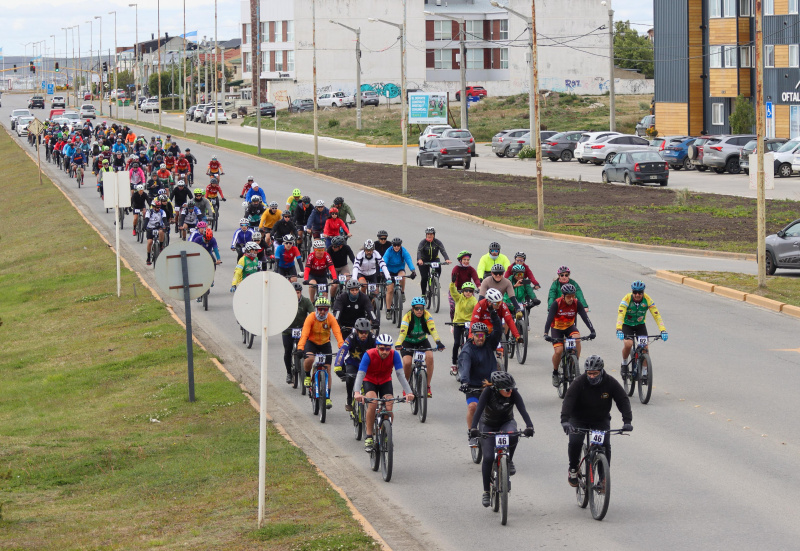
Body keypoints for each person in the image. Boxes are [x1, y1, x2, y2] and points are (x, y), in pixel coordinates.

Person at [561, 355, 632, 487]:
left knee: (604, 445)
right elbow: (568, 400)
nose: (592, 376)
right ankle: (573, 469)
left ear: (601, 371)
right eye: (589, 373)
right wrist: (565, 420)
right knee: (575, 441)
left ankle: (603, 477)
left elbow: (623, 400)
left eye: (595, 373)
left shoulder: (610, 382)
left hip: (600, 419)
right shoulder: (579, 382)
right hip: (579, 419)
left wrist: (627, 421)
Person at [469, 371, 534, 507]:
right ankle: (486, 491)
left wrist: (530, 426)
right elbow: (479, 410)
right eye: (507, 389)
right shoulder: (487, 392)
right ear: (498, 388)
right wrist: (473, 429)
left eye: (512, 387)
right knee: (487, 458)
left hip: (506, 422)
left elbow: (523, 410)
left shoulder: (513, 393)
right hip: (488, 424)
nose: (510, 390)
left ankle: (508, 460)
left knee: (514, 434)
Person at [354, 333, 414, 452]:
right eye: (382, 348)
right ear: (377, 347)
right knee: (373, 402)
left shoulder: (394, 355)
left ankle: (386, 432)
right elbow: (360, 374)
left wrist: (409, 392)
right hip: (369, 380)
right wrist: (357, 392)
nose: (385, 351)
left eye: (387, 348)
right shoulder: (369, 355)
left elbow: (400, 374)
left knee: (389, 406)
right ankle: (369, 436)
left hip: (385, 381)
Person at [296, 297, 344, 409]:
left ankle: (327, 397)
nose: (322, 312)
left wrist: (341, 346)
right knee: (310, 359)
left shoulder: (330, 318)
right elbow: (304, 335)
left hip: (324, 344)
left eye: (325, 309)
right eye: (320, 309)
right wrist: (300, 348)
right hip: (311, 342)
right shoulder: (310, 317)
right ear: (316, 309)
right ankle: (307, 376)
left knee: (327, 369)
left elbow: (337, 333)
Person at [544, 283, 596, 387]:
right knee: (558, 351)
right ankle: (555, 372)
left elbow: (585, 317)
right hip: (557, 328)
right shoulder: (557, 303)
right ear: (563, 296)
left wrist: (592, 330)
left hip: (569, 327)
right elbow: (549, 319)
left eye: (573, 296)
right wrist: (546, 333)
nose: (571, 298)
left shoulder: (576, 303)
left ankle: (574, 363)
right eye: (569, 296)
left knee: (577, 338)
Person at [396, 296, 445, 398]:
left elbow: (433, 330)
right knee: (407, 362)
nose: (419, 311)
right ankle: (406, 386)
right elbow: (402, 332)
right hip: (408, 341)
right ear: (413, 309)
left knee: (430, 357)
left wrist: (438, 342)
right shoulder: (407, 316)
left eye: (421, 308)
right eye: (417, 308)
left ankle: (427, 386)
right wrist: (398, 343)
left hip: (421, 341)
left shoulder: (427, 315)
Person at [616, 280, 667, 377]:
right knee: (628, 344)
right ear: (632, 292)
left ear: (643, 292)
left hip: (640, 325)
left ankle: (644, 372)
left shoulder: (648, 300)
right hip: (627, 325)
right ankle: (624, 363)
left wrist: (663, 330)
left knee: (645, 348)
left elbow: (657, 315)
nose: (637, 295)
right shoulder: (626, 299)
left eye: (640, 292)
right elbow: (621, 314)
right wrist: (618, 329)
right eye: (635, 292)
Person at [334, 318, 376, 411]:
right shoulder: (351, 338)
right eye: (361, 332)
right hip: (353, 363)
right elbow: (342, 351)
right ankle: (349, 399)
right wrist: (337, 366)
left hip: (367, 365)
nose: (364, 334)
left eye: (366, 332)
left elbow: (380, 352)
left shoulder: (372, 338)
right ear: (357, 331)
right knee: (349, 379)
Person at [281, 282, 315, 384]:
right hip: (288, 330)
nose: (297, 295)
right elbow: (279, 314)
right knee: (288, 350)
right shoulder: (285, 302)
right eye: (294, 292)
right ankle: (289, 373)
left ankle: (306, 373)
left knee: (305, 351)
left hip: (302, 330)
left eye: (298, 292)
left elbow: (312, 314)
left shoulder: (306, 301)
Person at [382, 237, 417, 320]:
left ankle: (402, 292)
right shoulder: (389, 251)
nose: (396, 247)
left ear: (400, 245)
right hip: (389, 271)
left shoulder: (403, 251)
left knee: (402, 277)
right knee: (390, 290)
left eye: (398, 245)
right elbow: (384, 261)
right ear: (392, 245)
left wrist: (413, 270)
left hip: (399, 269)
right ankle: (388, 310)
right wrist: (381, 271)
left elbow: (408, 260)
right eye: (395, 245)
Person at [450, 281, 478, 375]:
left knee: (471, 342)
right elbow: (453, 292)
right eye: (466, 290)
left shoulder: (474, 300)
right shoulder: (458, 298)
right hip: (458, 323)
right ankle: (454, 363)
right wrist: (453, 283)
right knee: (456, 343)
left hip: (469, 323)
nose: (468, 292)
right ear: (462, 291)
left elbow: (477, 310)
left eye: (470, 291)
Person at [416, 227, 451, 297]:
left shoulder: (437, 242)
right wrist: (419, 259)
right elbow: (419, 251)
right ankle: (423, 294)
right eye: (428, 234)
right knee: (425, 277)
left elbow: (442, 250)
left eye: (431, 234)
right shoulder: (423, 243)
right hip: (424, 260)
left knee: (438, 268)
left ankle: (436, 281)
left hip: (434, 259)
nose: (429, 235)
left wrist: (446, 259)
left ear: (434, 235)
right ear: (426, 235)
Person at [450, 250, 481, 321]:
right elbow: (455, 282)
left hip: (468, 289)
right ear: (460, 260)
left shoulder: (471, 269)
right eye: (464, 259)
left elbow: (476, 279)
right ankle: (453, 322)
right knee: (453, 307)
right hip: (457, 290)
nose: (466, 261)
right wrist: (456, 290)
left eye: (468, 260)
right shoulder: (456, 268)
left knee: (473, 306)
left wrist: (479, 287)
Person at [144, 200, 168, 266]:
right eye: (157, 207)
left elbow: (165, 220)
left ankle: (160, 246)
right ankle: (148, 257)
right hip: (150, 228)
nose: (158, 209)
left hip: (158, 227)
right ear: (153, 207)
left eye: (159, 207)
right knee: (150, 242)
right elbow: (146, 220)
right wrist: (144, 226)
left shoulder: (162, 212)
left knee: (161, 232)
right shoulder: (149, 212)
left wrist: (167, 225)